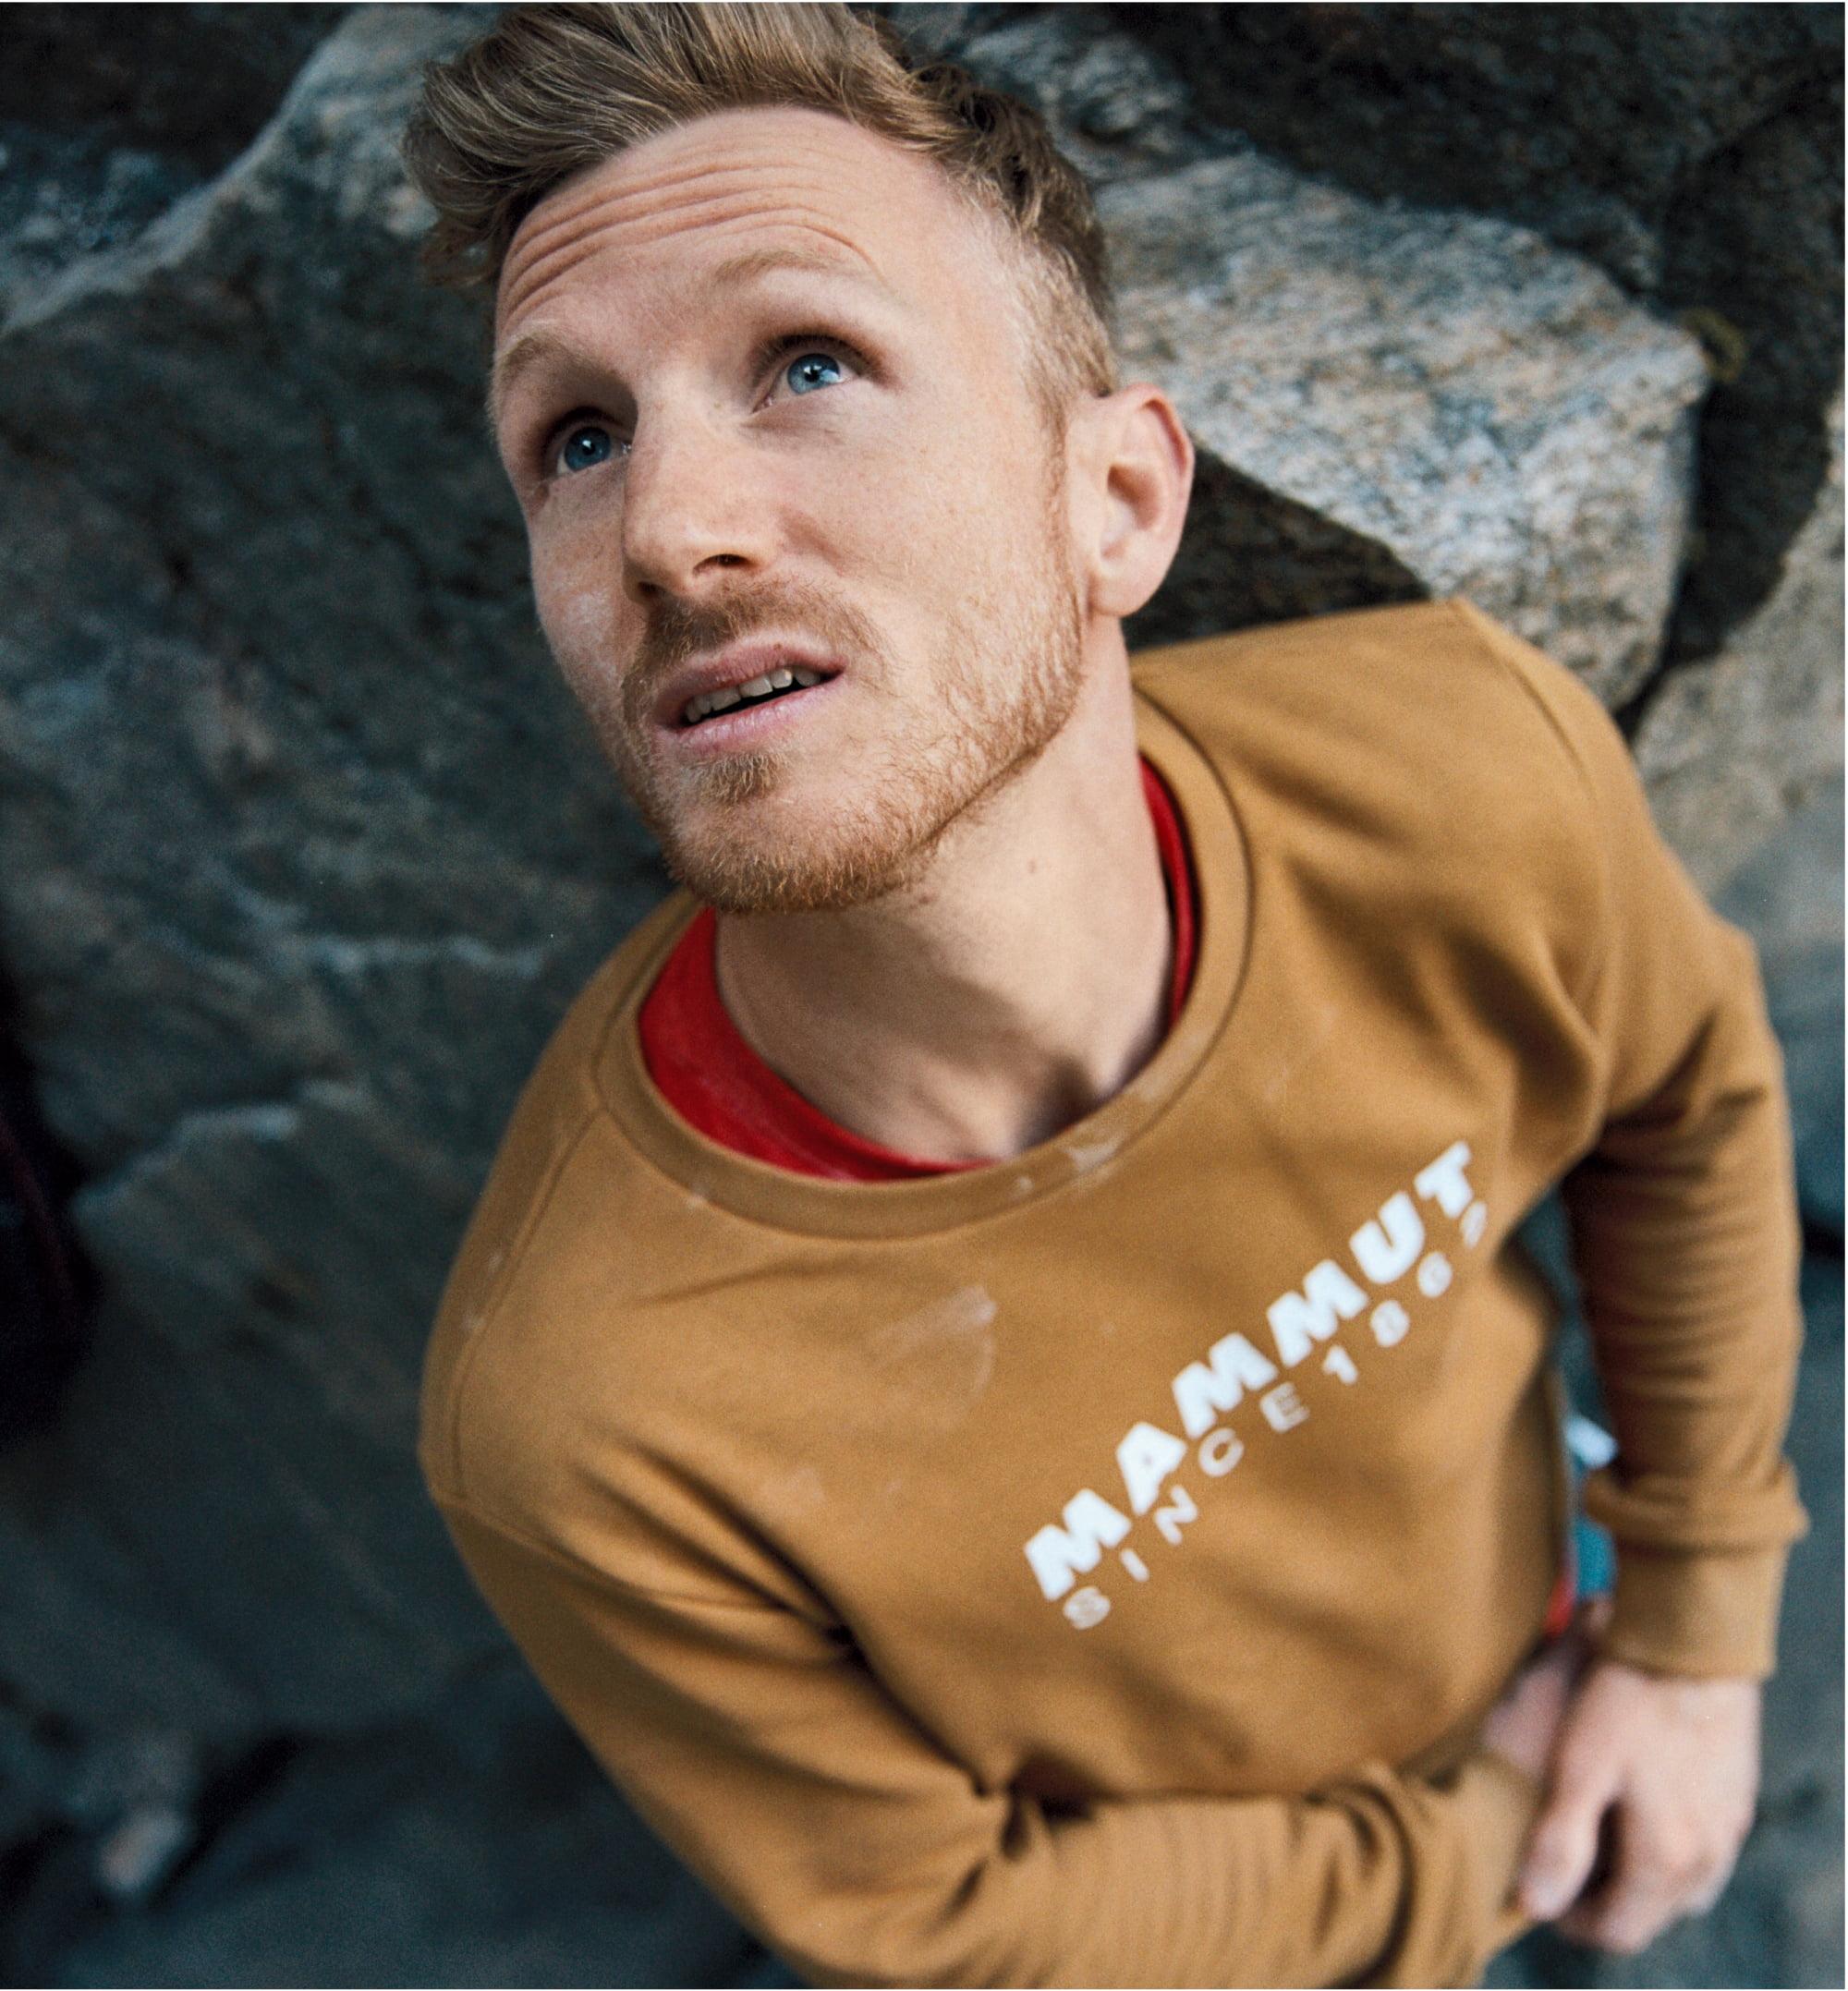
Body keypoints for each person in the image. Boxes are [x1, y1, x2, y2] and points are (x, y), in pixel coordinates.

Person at [404, 6, 1806, 1984]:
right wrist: (1482, 1842)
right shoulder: (586, 1417)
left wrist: (1689, 1626)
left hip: (1586, 1642)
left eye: (808, 361)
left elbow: (1690, 1103)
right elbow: (937, 1917)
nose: (666, 530)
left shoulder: (1461, 770)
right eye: (577, 434)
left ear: (1117, 501)